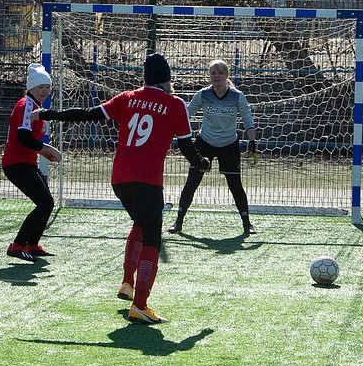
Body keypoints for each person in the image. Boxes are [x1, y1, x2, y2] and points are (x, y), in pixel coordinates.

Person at [33, 53, 210, 324]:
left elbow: (88, 114)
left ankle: (127, 283)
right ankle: (140, 305)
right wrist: (202, 163)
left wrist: (47, 113)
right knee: (152, 239)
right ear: (167, 79)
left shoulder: (127, 98)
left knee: (139, 224)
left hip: (120, 178)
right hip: (147, 181)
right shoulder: (174, 104)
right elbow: (187, 146)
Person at [171, 59, 258, 235]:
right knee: (192, 182)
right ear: (209, 76)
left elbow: (247, 120)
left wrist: (252, 142)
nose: (216, 76)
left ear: (227, 76)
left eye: (220, 73)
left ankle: (247, 223)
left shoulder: (237, 96)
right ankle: (178, 222)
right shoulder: (203, 94)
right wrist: (171, 132)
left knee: (235, 184)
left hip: (229, 145)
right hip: (205, 144)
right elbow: (185, 115)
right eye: (213, 73)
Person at [2, 63, 63, 262]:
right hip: (16, 163)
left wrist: (42, 153)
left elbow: (28, 140)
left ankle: (32, 244)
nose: (45, 91)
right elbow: (23, 138)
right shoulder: (26, 105)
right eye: (40, 87)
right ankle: (17, 245)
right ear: (30, 88)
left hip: (25, 162)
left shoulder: (35, 106)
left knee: (47, 203)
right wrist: (46, 149)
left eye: (47, 87)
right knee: (45, 203)